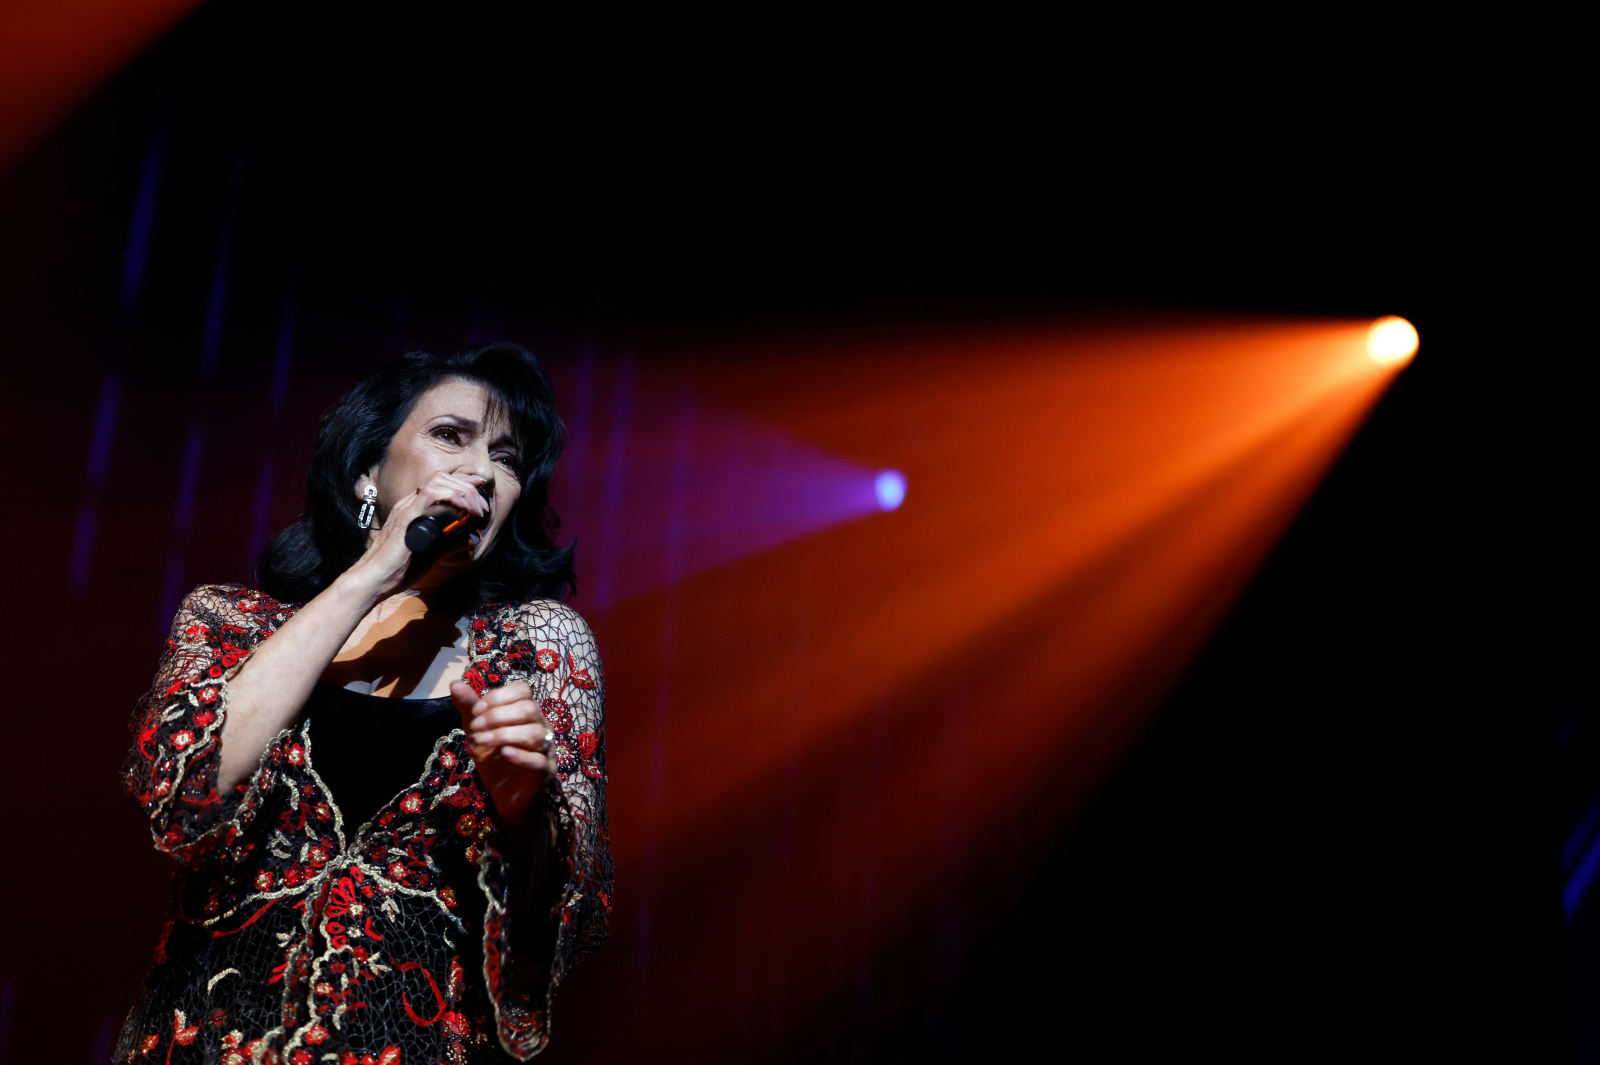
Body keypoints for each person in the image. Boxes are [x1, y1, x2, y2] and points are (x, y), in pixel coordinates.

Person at [115, 343, 611, 1064]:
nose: (482, 472)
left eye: (507, 459)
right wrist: (374, 573)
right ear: (367, 472)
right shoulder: (232, 625)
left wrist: (524, 813)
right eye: (451, 435)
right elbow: (183, 795)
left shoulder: (536, 648)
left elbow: (555, 934)